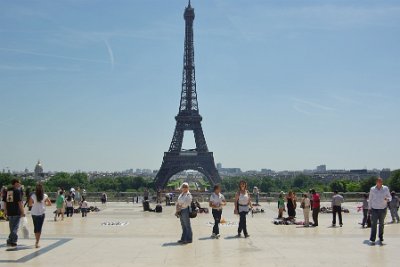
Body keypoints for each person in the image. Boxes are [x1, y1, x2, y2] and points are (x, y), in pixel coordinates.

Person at [368, 177, 391, 245]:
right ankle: (372, 238)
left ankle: (380, 237)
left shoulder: (386, 188)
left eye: (381, 181)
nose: (380, 182)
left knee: (381, 224)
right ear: (376, 182)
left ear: (382, 182)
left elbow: (390, 197)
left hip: (383, 208)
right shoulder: (372, 189)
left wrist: (388, 199)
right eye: (378, 181)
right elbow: (370, 199)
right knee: (374, 224)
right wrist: (369, 208)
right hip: (374, 208)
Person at [2, 179, 25, 247]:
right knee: (15, 227)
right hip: (16, 211)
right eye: (19, 183)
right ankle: (13, 241)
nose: (20, 184)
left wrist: (5, 210)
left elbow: (5, 202)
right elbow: (19, 202)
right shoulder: (17, 191)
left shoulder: (7, 191)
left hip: (9, 211)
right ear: (15, 183)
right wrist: (22, 212)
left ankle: (10, 239)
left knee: (12, 227)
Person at [28, 183, 51, 248]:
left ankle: (36, 240)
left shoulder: (33, 196)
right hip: (41, 213)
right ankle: (37, 242)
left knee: (35, 227)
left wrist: (34, 204)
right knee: (39, 228)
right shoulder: (45, 195)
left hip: (34, 213)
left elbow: (29, 204)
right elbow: (49, 204)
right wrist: (43, 204)